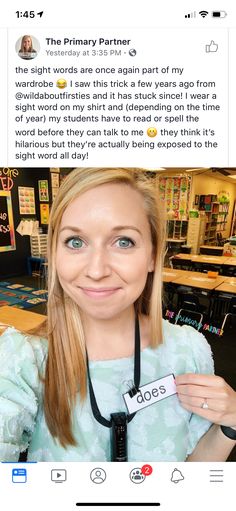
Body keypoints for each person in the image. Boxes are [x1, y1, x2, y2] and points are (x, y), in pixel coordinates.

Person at [0, 167, 236, 462]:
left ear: (152, 255)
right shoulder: (24, 360)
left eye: (123, 241)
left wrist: (231, 424)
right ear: (55, 253)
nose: (97, 270)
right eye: (75, 242)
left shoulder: (189, 351)